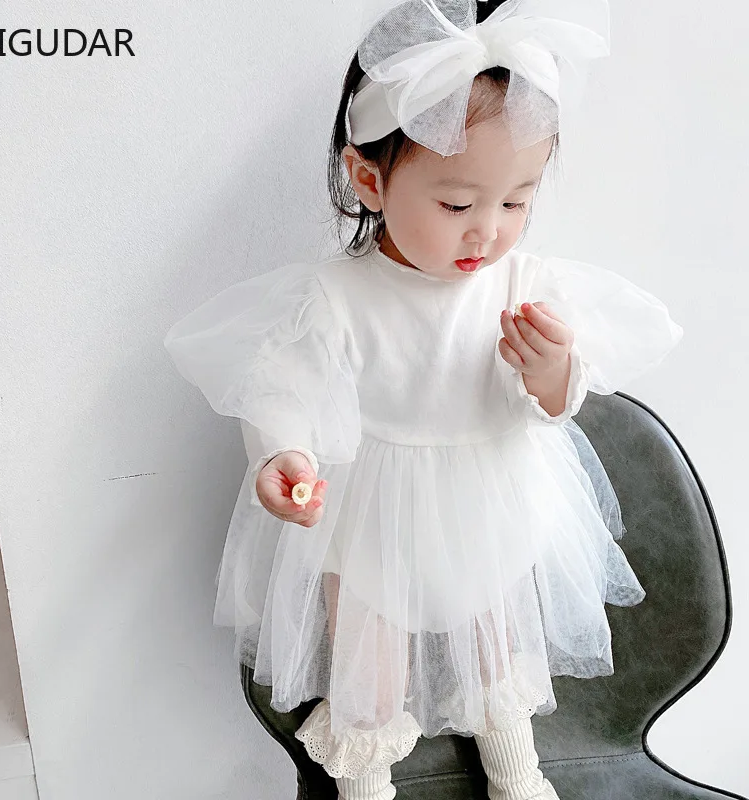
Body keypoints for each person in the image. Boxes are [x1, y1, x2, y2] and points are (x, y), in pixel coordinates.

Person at [163, 0, 683, 797]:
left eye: (516, 201)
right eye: (457, 204)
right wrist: (285, 452)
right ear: (368, 180)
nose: (488, 232)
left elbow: (553, 403)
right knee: (368, 660)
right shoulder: (337, 298)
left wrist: (552, 372)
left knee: (495, 638)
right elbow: (286, 383)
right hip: (373, 510)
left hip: (491, 500)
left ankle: (515, 768)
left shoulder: (523, 285)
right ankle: (367, 781)